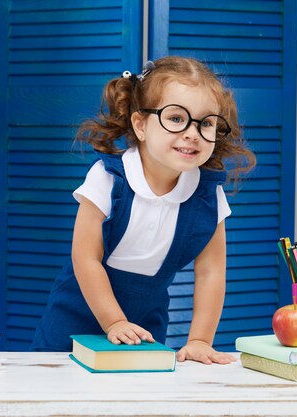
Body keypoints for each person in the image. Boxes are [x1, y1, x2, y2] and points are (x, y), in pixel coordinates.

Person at [31, 56, 256, 365]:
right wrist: (113, 322)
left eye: (205, 123)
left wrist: (200, 340)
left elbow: (211, 272)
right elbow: (85, 258)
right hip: (74, 319)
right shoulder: (108, 178)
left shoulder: (208, 195)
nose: (192, 133)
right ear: (140, 125)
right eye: (176, 119)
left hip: (145, 325)